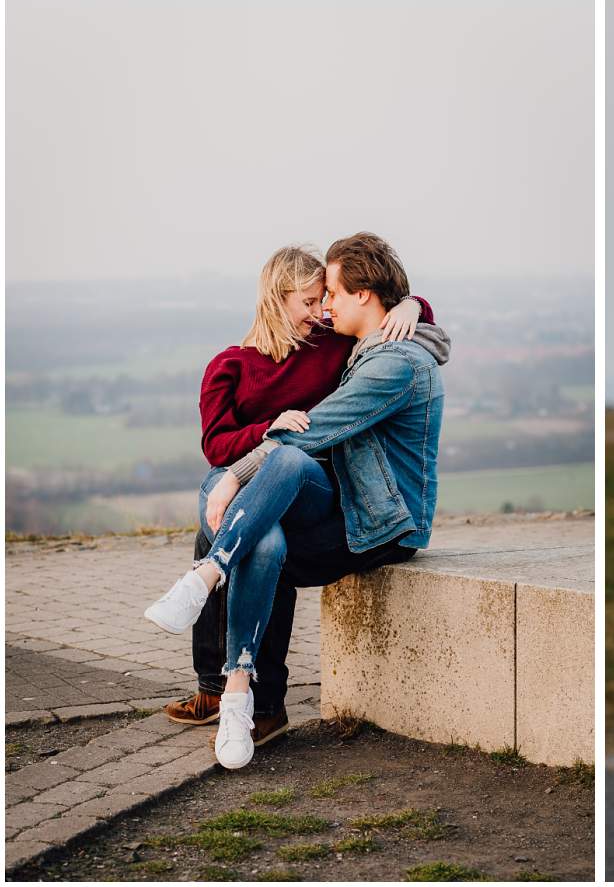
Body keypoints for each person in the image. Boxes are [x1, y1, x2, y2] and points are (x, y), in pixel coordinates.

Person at [145, 233, 450, 769]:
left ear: (359, 296)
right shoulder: (234, 364)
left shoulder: (360, 353)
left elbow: (311, 434)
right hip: (287, 488)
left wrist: (411, 303)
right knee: (262, 538)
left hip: (357, 508)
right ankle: (236, 696)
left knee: (259, 513)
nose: (323, 308)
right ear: (276, 299)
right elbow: (216, 443)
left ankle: (211, 595)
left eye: (327, 294)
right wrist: (236, 464)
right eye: (311, 300)